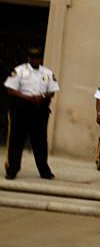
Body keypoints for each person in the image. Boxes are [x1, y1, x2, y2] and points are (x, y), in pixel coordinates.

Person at [4, 47, 59, 180]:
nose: (35, 60)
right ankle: (12, 169)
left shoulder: (47, 73)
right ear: (29, 58)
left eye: (38, 57)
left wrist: (43, 97)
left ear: (41, 59)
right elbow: (10, 89)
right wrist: (28, 98)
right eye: (33, 57)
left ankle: (44, 170)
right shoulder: (20, 71)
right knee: (16, 140)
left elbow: (52, 91)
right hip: (21, 109)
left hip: (40, 109)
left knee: (40, 142)